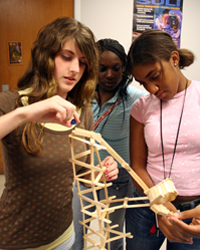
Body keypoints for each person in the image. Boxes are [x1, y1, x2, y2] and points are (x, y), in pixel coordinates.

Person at [0, 17, 119, 250]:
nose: (75, 69)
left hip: (64, 236)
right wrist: (26, 114)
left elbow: (82, 175)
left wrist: (101, 174)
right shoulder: (11, 104)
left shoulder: (81, 112)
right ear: (46, 57)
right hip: (16, 239)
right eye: (66, 57)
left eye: (83, 63)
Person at [125, 29, 200, 250]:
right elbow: (137, 165)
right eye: (143, 83)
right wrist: (160, 206)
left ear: (174, 59)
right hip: (146, 207)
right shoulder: (141, 108)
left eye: (154, 76)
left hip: (194, 212)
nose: (152, 89)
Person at [72, 38, 146, 250]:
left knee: (113, 235)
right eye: (102, 68)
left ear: (124, 69)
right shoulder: (80, 95)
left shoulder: (136, 99)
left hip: (119, 177)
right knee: (76, 232)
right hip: (85, 174)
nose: (110, 75)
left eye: (116, 68)